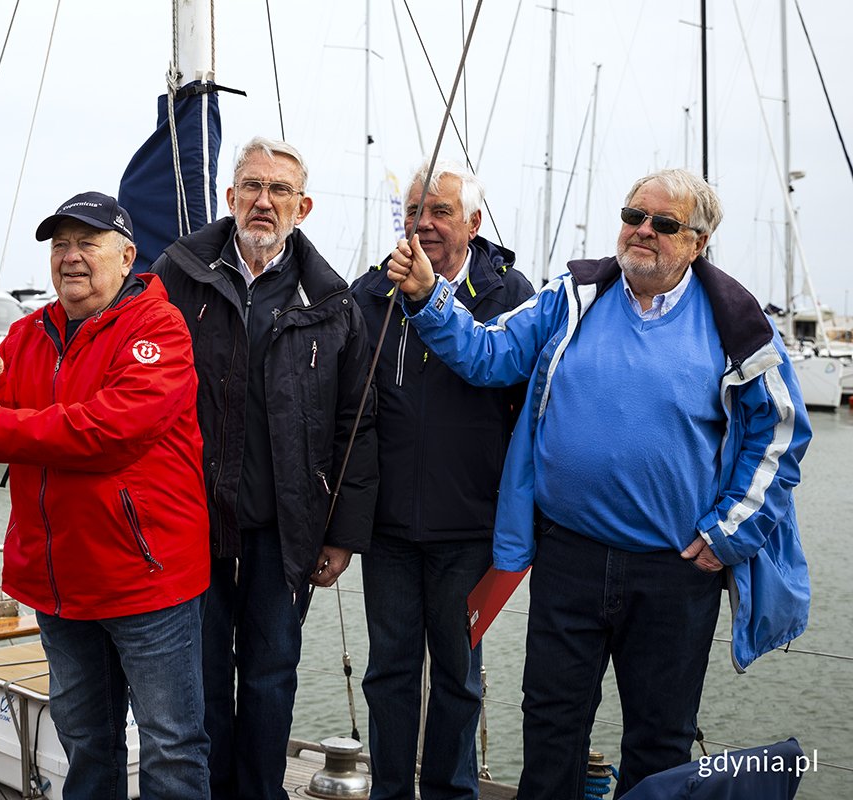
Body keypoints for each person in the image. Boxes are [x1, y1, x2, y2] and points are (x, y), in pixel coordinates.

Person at [385, 168, 811, 798]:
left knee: (660, 745)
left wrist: (730, 535)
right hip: (569, 559)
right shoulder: (573, 295)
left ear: (697, 242)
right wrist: (427, 297)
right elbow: (490, 354)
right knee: (550, 734)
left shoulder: (738, 324)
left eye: (663, 224)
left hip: (676, 572)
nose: (642, 231)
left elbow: (779, 435)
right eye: (633, 215)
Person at [0, 191, 212, 799]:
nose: (70, 257)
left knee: (172, 746)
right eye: (60, 244)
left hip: (145, 580)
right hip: (61, 583)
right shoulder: (26, 333)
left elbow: (114, 429)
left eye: (86, 243)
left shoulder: (158, 327)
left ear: (126, 257)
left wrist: (1, 424)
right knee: (83, 739)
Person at [150, 137, 378, 799]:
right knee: (200, 674)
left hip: (287, 528)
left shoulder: (331, 301)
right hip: (193, 521)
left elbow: (355, 425)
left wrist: (342, 534)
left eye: (280, 191)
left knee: (272, 675)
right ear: (229, 197)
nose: (263, 201)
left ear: (301, 206)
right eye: (251, 186)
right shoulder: (178, 274)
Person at [350, 161, 533, 799]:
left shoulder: (513, 298)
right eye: (413, 212)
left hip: (471, 528)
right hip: (389, 528)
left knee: (459, 677)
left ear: (474, 223)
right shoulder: (370, 294)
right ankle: (390, 793)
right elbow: (352, 412)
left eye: (440, 212)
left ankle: (452, 795)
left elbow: (532, 415)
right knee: (388, 674)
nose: (423, 224)